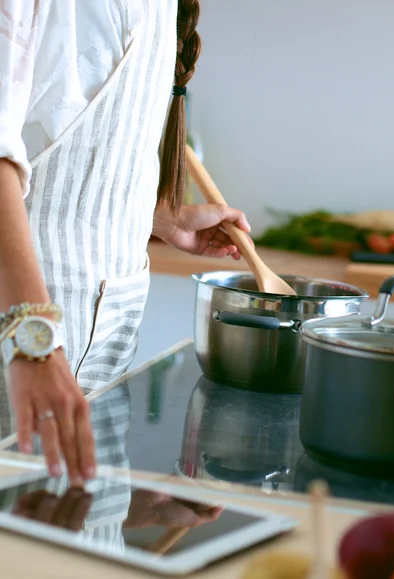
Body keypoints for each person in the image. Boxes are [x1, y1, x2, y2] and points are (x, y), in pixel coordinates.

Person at [0, 1, 250, 487]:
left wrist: (149, 216)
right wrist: (35, 345)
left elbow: (58, 128)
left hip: (93, 360)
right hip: (24, 354)